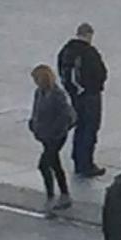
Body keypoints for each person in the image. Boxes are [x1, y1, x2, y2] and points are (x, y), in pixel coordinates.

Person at [57, 24, 107, 179]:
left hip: (75, 95)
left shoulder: (66, 50)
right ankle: (86, 163)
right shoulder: (89, 53)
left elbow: (61, 70)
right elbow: (100, 73)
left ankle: (77, 158)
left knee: (80, 126)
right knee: (90, 128)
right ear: (89, 35)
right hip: (90, 95)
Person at [26, 64, 74, 214]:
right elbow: (36, 111)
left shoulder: (57, 95)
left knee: (45, 163)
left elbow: (65, 116)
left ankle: (55, 194)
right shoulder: (40, 92)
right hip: (45, 135)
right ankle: (60, 194)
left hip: (55, 136)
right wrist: (33, 124)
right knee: (54, 163)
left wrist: (56, 130)